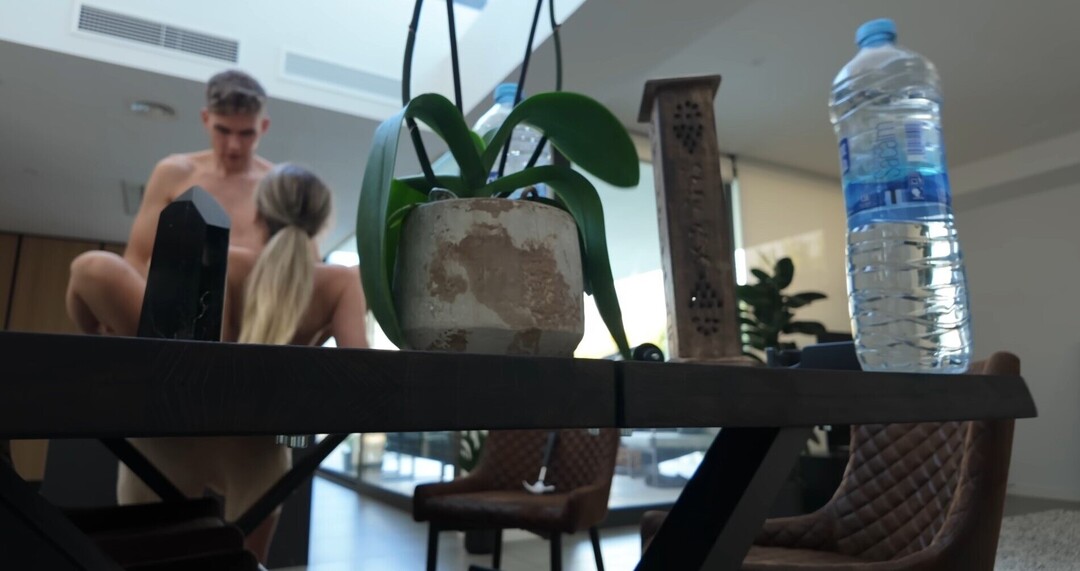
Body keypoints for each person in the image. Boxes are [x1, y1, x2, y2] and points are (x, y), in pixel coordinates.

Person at [66, 164, 368, 562]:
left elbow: (203, 357)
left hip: (169, 438)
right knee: (243, 564)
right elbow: (361, 374)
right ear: (322, 224)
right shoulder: (342, 282)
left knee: (147, 560)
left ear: (258, 213)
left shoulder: (223, 256)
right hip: (258, 451)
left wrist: (102, 335)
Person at [68, 69, 274, 335]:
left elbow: (306, 273)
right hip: (169, 319)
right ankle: (107, 348)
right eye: (223, 130)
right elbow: (137, 259)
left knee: (232, 261)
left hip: (249, 324)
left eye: (246, 133)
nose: (234, 145)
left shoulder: (277, 185)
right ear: (206, 119)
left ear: (263, 127)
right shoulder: (175, 172)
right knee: (91, 267)